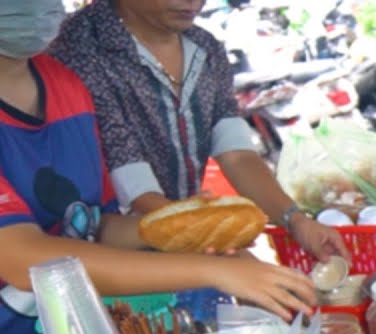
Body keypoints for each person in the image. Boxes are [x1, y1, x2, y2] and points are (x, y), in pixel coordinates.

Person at [1, 1, 315, 334]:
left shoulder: (65, 85)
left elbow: (93, 225)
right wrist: (215, 270)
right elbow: (21, 259)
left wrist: (182, 227)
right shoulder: (80, 51)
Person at [48, 0, 345, 263]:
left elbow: (237, 154)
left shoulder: (205, 47)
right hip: (106, 252)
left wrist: (296, 220)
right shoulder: (80, 49)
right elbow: (129, 174)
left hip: (182, 237)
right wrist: (207, 236)